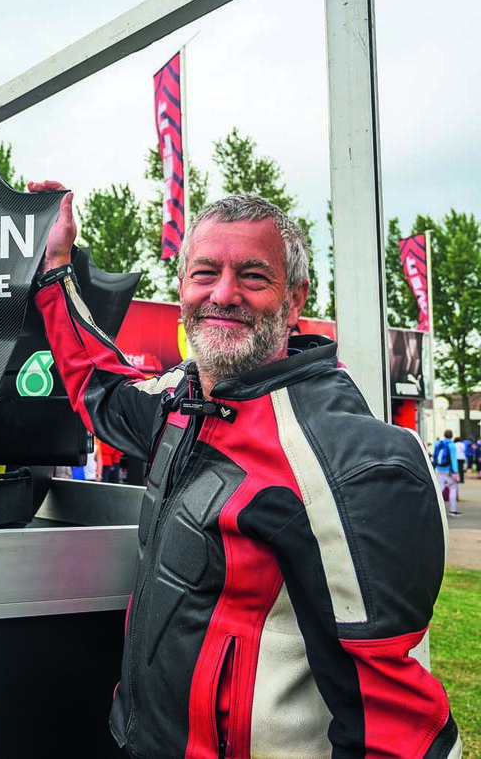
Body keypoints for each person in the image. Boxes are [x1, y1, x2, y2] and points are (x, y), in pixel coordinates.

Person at [29, 183, 459, 758]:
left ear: (295, 297)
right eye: (205, 273)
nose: (224, 294)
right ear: (182, 288)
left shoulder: (352, 461)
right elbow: (101, 385)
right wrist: (58, 268)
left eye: (253, 277)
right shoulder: (175, 401)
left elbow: (397, 725)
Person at [433, 429, 460, 516]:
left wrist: (433, 467)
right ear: (452, 436)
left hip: (439, 469)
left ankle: (435, 508)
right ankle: (453, 510)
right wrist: (455, 471)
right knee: (453, 488)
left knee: (440, 489)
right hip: (448, 470)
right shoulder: (452, 445)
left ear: (444, 435)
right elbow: (453, 459)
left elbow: (434, 456)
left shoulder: (438, 443)